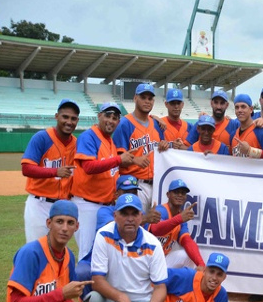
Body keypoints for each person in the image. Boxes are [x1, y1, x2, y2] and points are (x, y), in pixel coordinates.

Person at [88, 194, 172, 302]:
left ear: (141, 217)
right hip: (111, 301)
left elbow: (161, 287)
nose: (130, 219)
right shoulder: (103, 235)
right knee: (91, 301)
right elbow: (97, 281)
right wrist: (121, 298)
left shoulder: (153, 243)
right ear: (115, 216)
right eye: (124, 214)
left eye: (134, 214)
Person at [72, 102, 135, 259]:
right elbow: (88, 167)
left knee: (103, 252)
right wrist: (118, 160)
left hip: (105, 206)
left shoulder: (110, 141)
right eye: (107, 115)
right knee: (87, 253)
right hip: (87, 204)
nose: (111, 120)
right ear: (99, 116)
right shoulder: (89, 136)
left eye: (115, 118)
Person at [21, 99, 80, 243]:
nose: (69, 122)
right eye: (65, 117)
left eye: (73, 118)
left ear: (77, 120)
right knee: (37, 248)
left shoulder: (76, 143)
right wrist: (55, 172)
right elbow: (26, 168)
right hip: (39, 203)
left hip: (63, 206)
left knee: (58, 250)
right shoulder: (42, 138)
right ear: (56, 117)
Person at [113, 83, 166, 212]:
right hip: (133, 185)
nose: (147, 101)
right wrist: (134, 160)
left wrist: (165, 146)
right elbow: (116, 158)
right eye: (143, 97)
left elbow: (162, 151)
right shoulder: (125, 124)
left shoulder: (156, 124)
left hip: (155, 184)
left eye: (150, 98)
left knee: (153, 227)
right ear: (135, 98)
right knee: (136, 225)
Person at [147, 179, 202, 269]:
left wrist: (201, 264)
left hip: (161, 259)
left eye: (183, 193)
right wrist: (179, 219)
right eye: (176, 192)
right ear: (168, 195)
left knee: (187, 256)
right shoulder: (161, 210)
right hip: (146, 257)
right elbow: (156, 229)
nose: (180, 195)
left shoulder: (180, 217)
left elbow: (187, 241)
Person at [230, 94, 263, 159]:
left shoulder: (261, 130)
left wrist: (250, 151)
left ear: (251, 109)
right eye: (237, 107)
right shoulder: (233, 135)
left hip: (257, 169)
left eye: (243, 107)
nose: (240, 110)